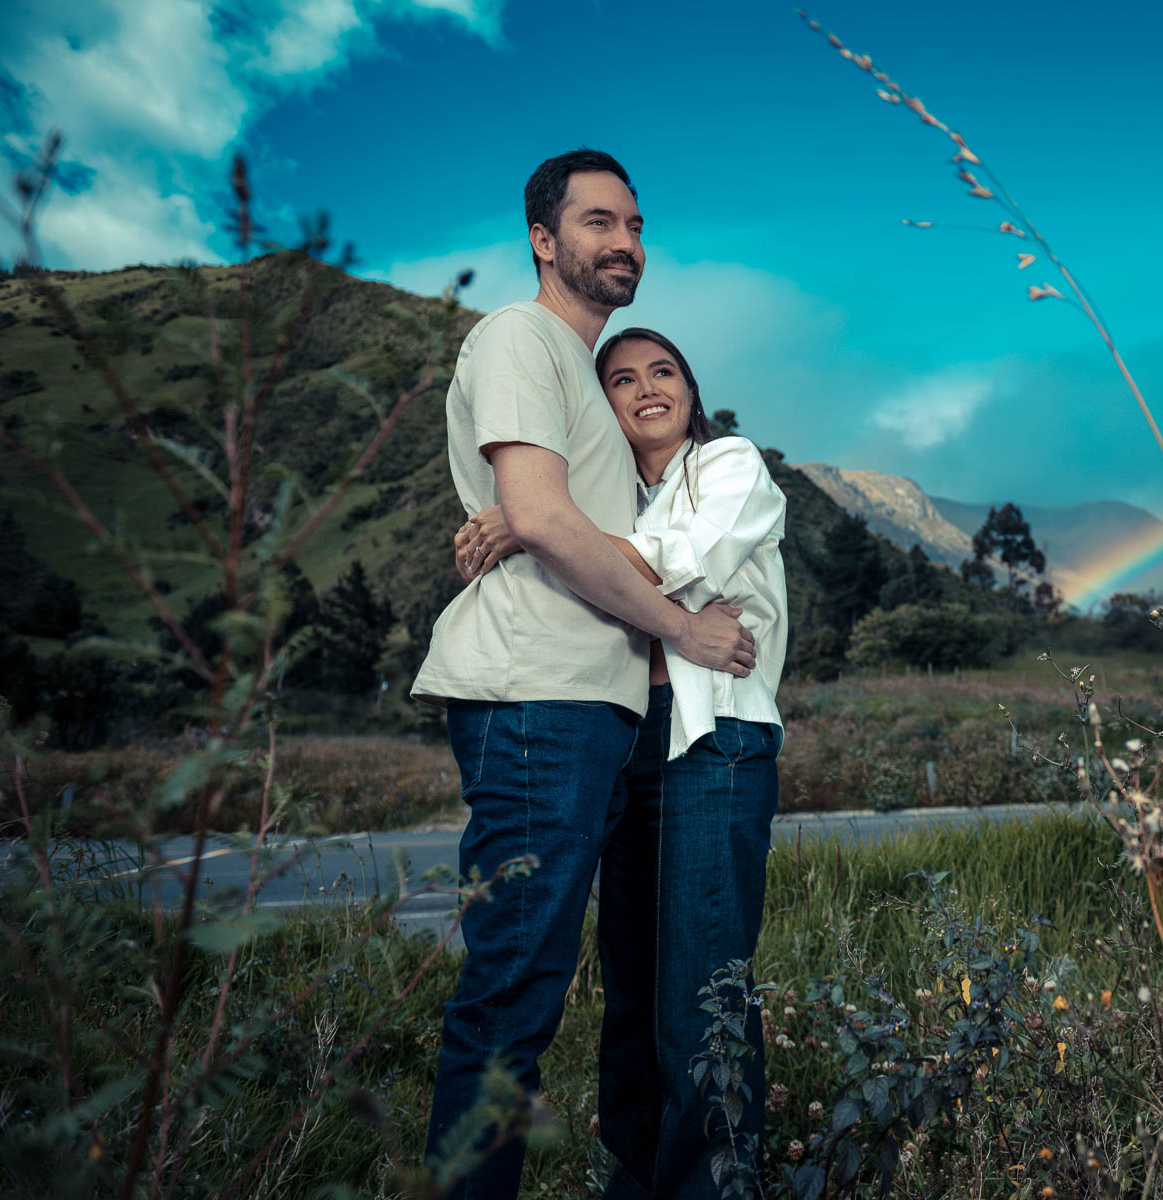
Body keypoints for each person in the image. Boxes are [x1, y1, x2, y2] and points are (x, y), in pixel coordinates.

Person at [411, 149, 757, 1200]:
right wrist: (681, 629)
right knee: (515, 988)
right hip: (538, 700)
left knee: (564, 980)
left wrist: (525, 523)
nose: (625, 243)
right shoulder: (519, 337)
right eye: (599, 222)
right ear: (543, 239)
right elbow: (547, 515)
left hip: (593, 710)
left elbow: (566, 520)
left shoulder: (583, 376)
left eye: (636, 225)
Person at [455, 326, 788, 1198]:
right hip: (627, 732)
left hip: (715, 738)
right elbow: (594, 578)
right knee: (633, 979)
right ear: (602, 406)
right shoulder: (604, 500)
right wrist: (555, 529)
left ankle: (711, 1185)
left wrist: (533, 528)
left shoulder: (730, 465)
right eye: (622, 379)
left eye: (663, 371)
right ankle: (638, 1175)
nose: (646, 389)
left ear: (691, 388)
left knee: (702, 977)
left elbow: (681, 561)